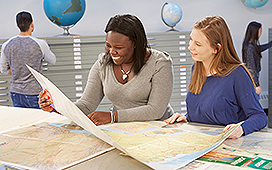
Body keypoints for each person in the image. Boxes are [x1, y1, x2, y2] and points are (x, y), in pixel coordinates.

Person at [39, 14, 174, 125]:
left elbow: (155, 110)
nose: (112, 52)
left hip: (159, 129)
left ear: (135, 44)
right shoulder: (103, 64)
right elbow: (86, 105)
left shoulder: (159, 63)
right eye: (108, 45)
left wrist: (113, 116)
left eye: (119, 47)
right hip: (126, 130)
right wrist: (57, 107)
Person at [164, 16, 268, 139]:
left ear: (216, 48)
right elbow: (206, 108)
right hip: (202, 141)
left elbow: (260, 116)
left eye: (197, 44)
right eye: (190, 40)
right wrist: (187, 117)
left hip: (228, 146)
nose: (190, 47)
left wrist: (241, 129)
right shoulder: (196, 68)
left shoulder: (237, 74)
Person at [0, 11, 56, 109]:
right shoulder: (40, 44)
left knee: (22, 122)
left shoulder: (6, 44)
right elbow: (52, 60)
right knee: (38, 122)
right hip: (35, 93)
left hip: (16, 93)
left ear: (17, 25)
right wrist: (46, 46)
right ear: (32, 24)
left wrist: (18, 72)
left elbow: (3, 69)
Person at [242, 21, 272, 96]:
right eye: (260, 32)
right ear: (254, 32)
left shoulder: (250, 46)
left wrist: (270, 44)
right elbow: (251, 68)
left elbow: (259, 49)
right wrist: (256, 84)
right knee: (255, 100)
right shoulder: (249, 48)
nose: (260, 34)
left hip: (253, 77)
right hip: (252, 78)